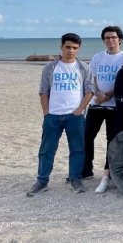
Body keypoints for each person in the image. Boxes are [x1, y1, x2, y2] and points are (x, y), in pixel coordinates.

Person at [27, 33, 94, 196]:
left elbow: (90, 91)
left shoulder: (84, 67)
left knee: (77, 149)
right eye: (68, 47)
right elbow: (43, 91)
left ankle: (75, 179)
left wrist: (79, 110)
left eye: (75, 48)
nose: (71, 51)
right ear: (61, 47)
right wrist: (47, 113)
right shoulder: (50, 67)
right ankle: (42, 181)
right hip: (53, 116)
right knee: (46, 149)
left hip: (75, 116)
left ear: (79, 49)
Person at [84, 26, 123, 194]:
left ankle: (109, 172)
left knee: (112, 140)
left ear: (120, 39)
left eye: (113, 37)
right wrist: (97, 93)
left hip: (114, 107)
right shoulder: (98, 57)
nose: (110, 40)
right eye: (107, 38)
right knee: (87, 135)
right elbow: (93, 77)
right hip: (97, 104)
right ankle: (86, 170)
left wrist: (109, 94)